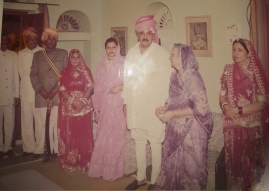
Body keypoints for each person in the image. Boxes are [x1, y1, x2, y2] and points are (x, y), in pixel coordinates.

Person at [153, 43, 213, 190]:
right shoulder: (174, 75)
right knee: (172, 167)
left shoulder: (192, 77)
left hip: (193, 129)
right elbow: (175, 99)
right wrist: (166, 107)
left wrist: (172, 113)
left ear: (181, 57)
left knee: (191, 170)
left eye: (172, 54)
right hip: (176, 127)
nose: (169, 57)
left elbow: (201, 109)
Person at [122, 15, 172, 190]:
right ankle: (141, 178)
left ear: (153, 34)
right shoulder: (131, 52)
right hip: (135, 105)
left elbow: (168, 82)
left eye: (148, 33)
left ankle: (156, 181)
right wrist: (125, 102)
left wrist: (166, 105)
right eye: (141, 33)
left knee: (156, 142)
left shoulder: (162, 54)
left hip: (154, 106)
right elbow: (127, 80)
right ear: (137, 35)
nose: (145, 36)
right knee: (139, 141)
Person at [219, 38, 269, 190]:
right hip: (232, 127)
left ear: (249, 53)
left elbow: (262, 102)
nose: (235, 53)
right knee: (235, 169)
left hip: (251, 127)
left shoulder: (256, 74)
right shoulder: (228, 70)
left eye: (239, 50)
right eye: (233, 49)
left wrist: (239, 110)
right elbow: (222, 95)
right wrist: (226, 105)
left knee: (250, 171)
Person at [88, 38, 126, 181]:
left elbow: (133, 83)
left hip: (118, 106)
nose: (111, 50)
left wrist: (119, 87)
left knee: (116, 138)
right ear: (105, 49)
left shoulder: (124, 65)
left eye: (113, 47)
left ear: (118, 48)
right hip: (104, 107)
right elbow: (97, 89)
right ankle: (100, 169)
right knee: (102, 138)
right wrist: (96, 110)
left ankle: (113, 172)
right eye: (108, 48)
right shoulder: (100, 66)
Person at [30, 28, 68, 162]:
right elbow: (33, 74)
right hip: (42, 96)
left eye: (54, 38)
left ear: (56, 40)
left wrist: (55, 90)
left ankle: (56, 151)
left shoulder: (63, 53)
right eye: (49, 38)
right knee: (43, 124)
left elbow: (66, 74)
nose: (51, 41)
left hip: (57, 95)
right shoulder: (37, 55)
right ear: (44, 39)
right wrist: (40, 90)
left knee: (56, 124)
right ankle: (45, 150)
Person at [58, 49, 94, 171]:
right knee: (72, 134)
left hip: (84, 107)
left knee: (84, 135)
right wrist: (73, 101)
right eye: (73, 57)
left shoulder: (86, 71)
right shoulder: (64, 73)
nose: (75, 60)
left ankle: (85, 161)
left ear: (81, 58)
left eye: (77, 57)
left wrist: (83, 101)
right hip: (70, 107)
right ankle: (73, 161)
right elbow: (62, 90)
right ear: (69, 58)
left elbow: (90, 86)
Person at [17, 27, 43, 158]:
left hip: (38, 93)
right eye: (30, 39)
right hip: (25, 92)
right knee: (26, 120)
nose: (33, 41)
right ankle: (28, 148)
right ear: (25, 40)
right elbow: (20, 74)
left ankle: (39, 148)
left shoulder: (42, 52)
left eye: (35, 39)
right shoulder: (20, 54)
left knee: (39, 121)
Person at [0, 27, 19, 159]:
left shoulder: (14, 55)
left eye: (6, 40)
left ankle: (7, 147)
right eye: (2, 40)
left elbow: (15, 76)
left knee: (9, 122)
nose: (4, 43)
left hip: (10, 95)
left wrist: (16, 94)